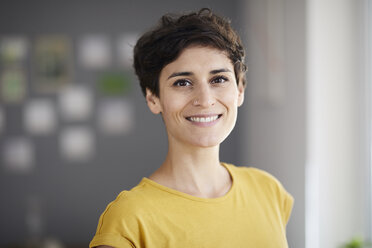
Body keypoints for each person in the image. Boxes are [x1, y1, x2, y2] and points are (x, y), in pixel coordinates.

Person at [89, 8, 293, 248]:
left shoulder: (269, 191)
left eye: (219, 79)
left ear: (239, 90)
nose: (205, 100)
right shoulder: (130, 219)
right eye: (182, 82)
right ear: (153, 98)